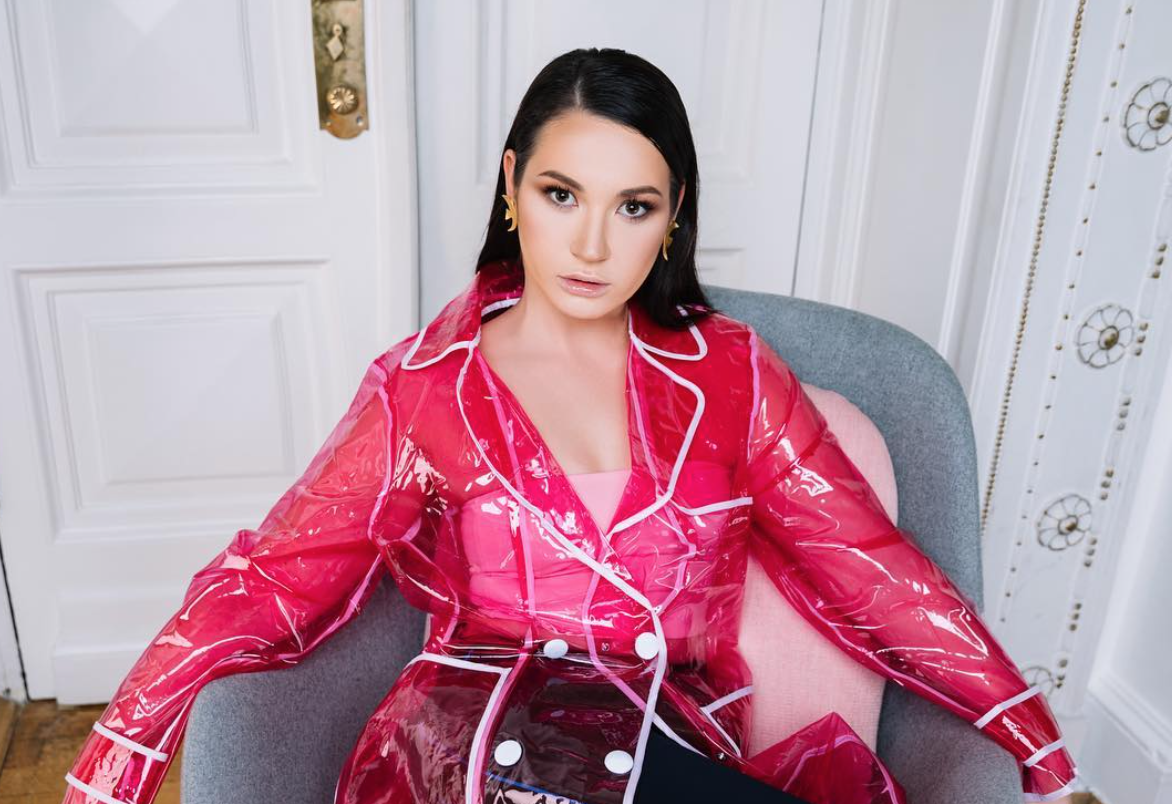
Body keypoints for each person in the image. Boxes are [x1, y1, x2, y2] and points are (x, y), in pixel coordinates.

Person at [61, 48, 1077, 804]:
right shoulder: (425, 388)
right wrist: (117, 758)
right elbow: (270, 580)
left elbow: (871, 570)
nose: (591, 244)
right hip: (474, 744)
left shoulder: (734, 376)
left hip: (661, 746)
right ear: (512, 189)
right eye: (560, 194)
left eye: (633, 206)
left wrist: (1031, 739)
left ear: (672, 216)